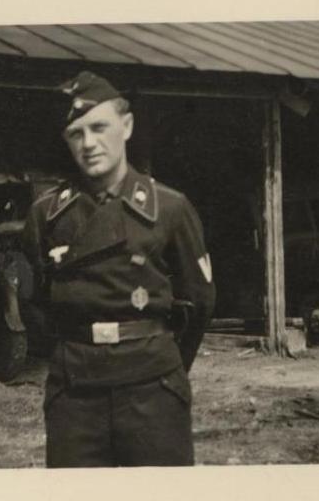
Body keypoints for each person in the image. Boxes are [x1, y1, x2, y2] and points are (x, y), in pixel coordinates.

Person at [23, 70, 216, 467]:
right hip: (75, 393)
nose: (88, 144)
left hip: (152, 388)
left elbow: (199, 301)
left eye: (99, 128)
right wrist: (68, 355)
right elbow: (35, 301)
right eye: (76, 133)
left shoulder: (169, 207)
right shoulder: (46, 214)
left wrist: (162, 363)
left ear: (126, 127)